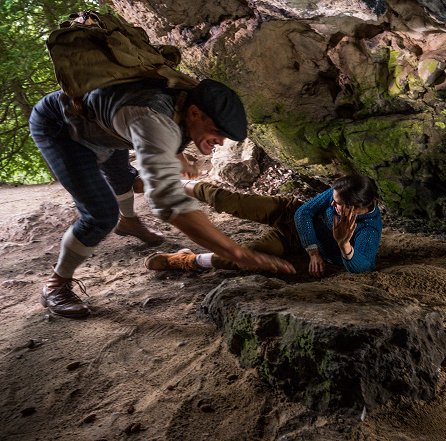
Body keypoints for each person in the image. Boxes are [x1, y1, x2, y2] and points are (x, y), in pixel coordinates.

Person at [29, 78, 295, 319]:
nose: (222, 142)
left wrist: (176, 156)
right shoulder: (151, 121)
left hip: (107, 126)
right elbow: (170, 205)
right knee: (100, 215)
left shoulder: (183, 100)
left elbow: (169, 132)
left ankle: (129, 222)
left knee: (124, 178)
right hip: (62, 127)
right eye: (217, 131)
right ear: (194, 113)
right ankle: (56, 285)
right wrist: (236, 253)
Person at [144, 175, 382, 277]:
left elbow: (363, 266)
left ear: (358, 207)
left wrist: (344, 244)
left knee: (245, 257)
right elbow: (304, 212)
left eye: (338, 204)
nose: (332, 203)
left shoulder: (368, 230)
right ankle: (178, 182)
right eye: (333, 198)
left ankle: (186, 260)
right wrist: (314, 251)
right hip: (289, 212)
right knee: (231, 201)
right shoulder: (341, 193)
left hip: (290, 240)